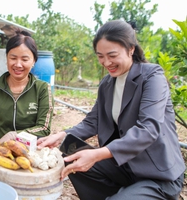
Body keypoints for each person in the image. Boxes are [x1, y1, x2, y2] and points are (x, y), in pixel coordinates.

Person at [37, 20, 185, 200]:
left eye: (112, 55)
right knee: (69, 152)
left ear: (131, 49)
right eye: (100, 56)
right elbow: (93, 121)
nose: (106, 62)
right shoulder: (107, 84)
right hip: (126, 168)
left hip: (158, 175)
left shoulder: (152, 77)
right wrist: (61, 135)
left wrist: (97, 154)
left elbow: (148, 129)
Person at [0, 29, 54, 149]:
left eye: (24, 59)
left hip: (30, 151)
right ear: (6, 58)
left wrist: (14, 135)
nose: (18, 64)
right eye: (13, 58)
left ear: (33, 61)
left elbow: (44, 128)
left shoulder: (42, 89)